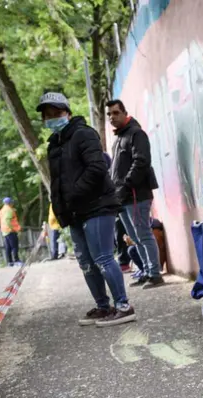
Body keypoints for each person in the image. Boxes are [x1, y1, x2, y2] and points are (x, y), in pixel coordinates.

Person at [39, 91, 136, 327]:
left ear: (67, 112)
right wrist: (61, 208)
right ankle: (103, 307)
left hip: (98, 206)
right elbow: (57, 182)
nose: (51, 118)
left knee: (103, 257)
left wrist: (73, 193)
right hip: (74, 212)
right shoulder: (54, 145)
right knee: (86, 262)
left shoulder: (84, 134)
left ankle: (124, 306)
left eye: (56, 113)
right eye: (47, 115)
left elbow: (97, 168)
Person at [105, 99, 164, 289]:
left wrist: (126, 185)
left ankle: (155, 274)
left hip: (137, 194)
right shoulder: (119, 138)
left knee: (143, 234)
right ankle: (146, 272)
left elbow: (141, 162)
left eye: (116, 113)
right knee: (134, 236)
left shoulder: (136, 134)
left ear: (125, 113)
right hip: (122, 197)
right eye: (109, 114)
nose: (112, 117)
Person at [0, 197, 21, 266]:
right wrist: (12, 228)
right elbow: (7, 220)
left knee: (8, 247)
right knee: (14, 246)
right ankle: (17, 261)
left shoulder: (2, 210)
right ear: (10, 203)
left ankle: (10, 262)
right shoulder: (9, 210)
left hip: (5, 231)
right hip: (11, 230)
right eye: (11, 202)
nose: (12, 203)